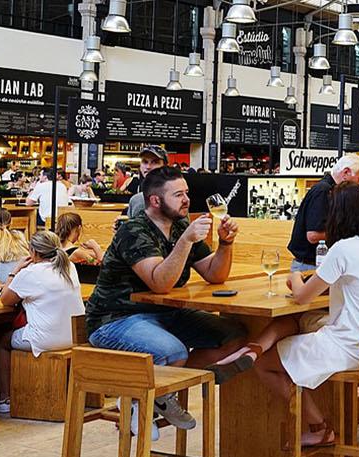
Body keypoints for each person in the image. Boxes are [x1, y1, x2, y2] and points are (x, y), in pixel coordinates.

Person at [215, 183, 359, 447]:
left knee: (266, 365)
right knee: (297, 321)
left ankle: (319, 427)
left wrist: (294, 276)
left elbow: (302, 296)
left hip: (350, 347)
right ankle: (252, 348)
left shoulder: (343, 249)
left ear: (338, 215)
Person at [86, 166, 246, 438]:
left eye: (186, 193)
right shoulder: (134, 231)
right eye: (178, 195)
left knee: (235, 334)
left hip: (164, 315)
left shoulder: (181, 226)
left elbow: (214, 274)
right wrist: (185, 241)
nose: (186, 200)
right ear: (155, 201)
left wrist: (225, 244)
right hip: (115, 319)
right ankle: (146, 401)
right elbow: (159, 283)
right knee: (174, 352)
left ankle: (160, 394)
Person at [0, 231, 85, 414]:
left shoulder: (30, 273)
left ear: (32, 252)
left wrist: (14, 271)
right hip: (76, 335)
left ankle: (4, 399)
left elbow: (5, 299)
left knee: (3, 342)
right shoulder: (69, 267)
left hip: (45, 339)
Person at [287, 154, 359, 271]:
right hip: (309, 266)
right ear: (345, 172)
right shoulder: (323, 191)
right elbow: (313, 235)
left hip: (319, 263)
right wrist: (351, 232)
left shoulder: (333, 191)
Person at [122, 146, 170, 219]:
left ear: (165, 166)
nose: (148, 166)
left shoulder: (174, 197)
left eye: (155, 162)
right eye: (145, 162)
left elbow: (183, 228)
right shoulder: (135, 200)